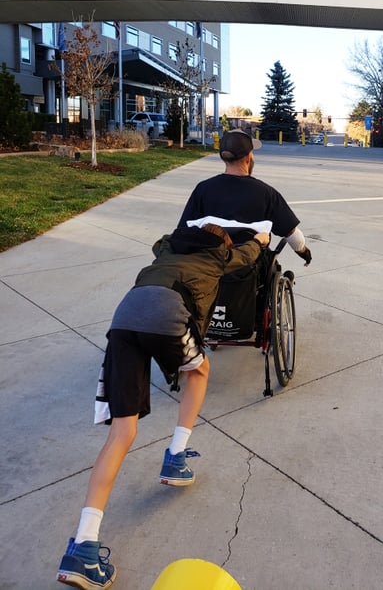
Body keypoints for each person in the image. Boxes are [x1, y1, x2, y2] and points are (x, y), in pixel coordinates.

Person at [57, 223, 270, 590]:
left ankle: (83, 547)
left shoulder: (166, 251)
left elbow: (163, 240)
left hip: (123, 319)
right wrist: (260, 239)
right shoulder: (220, 255)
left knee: (122, 432)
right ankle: (176, 455)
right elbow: (250, 254)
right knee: (200, 370)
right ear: (221, 244)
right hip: (167, 314)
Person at [178, 129, 312, 266]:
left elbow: (183, 230)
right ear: (248, 158)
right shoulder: (266, 193)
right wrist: (305, 253)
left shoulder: (203, 189)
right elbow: (291, 234)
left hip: (209, 269)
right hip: (250, 270)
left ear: (224, 158)